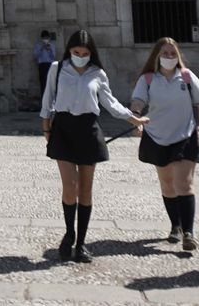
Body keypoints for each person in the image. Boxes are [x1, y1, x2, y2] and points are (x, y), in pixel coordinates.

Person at [41, 29, 149, 262]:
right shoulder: (57, 68)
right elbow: (47, 99)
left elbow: (110, 103)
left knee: (85, 189)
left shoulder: (97, 73)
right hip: (63, 128)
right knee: (69, 186)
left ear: (91, 53)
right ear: (69, 49)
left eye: (85, 52)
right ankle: (69, 233)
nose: (80, 55)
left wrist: (133, 118)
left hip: (88, 129)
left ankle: (81, 244)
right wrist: (46, 129)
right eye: (76, 51)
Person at [130, 37, 199, 252]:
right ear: (157, 56)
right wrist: (136, 117)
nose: (169, 57)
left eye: (172, 54)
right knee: (167, 184)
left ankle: (188, 233)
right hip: (157, 136)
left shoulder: (186, 77)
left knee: (184, 184)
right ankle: (175, 225)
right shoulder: (147, 79)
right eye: (164, 54)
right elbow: (138, 101)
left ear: (178, 56)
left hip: (185, 135)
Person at [34, 30, 58, 97]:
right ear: (42, 38)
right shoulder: (38, 45)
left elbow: (53, 57)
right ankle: (43, 99)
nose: (46, 40)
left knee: (51, 83)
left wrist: (49, 50)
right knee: (43, 83)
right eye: (44, 38)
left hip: (50, 65)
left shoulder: (52, 45)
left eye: (47, 38)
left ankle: (52, 98)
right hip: (42, 65)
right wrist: (42, 49)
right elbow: (36, 56)